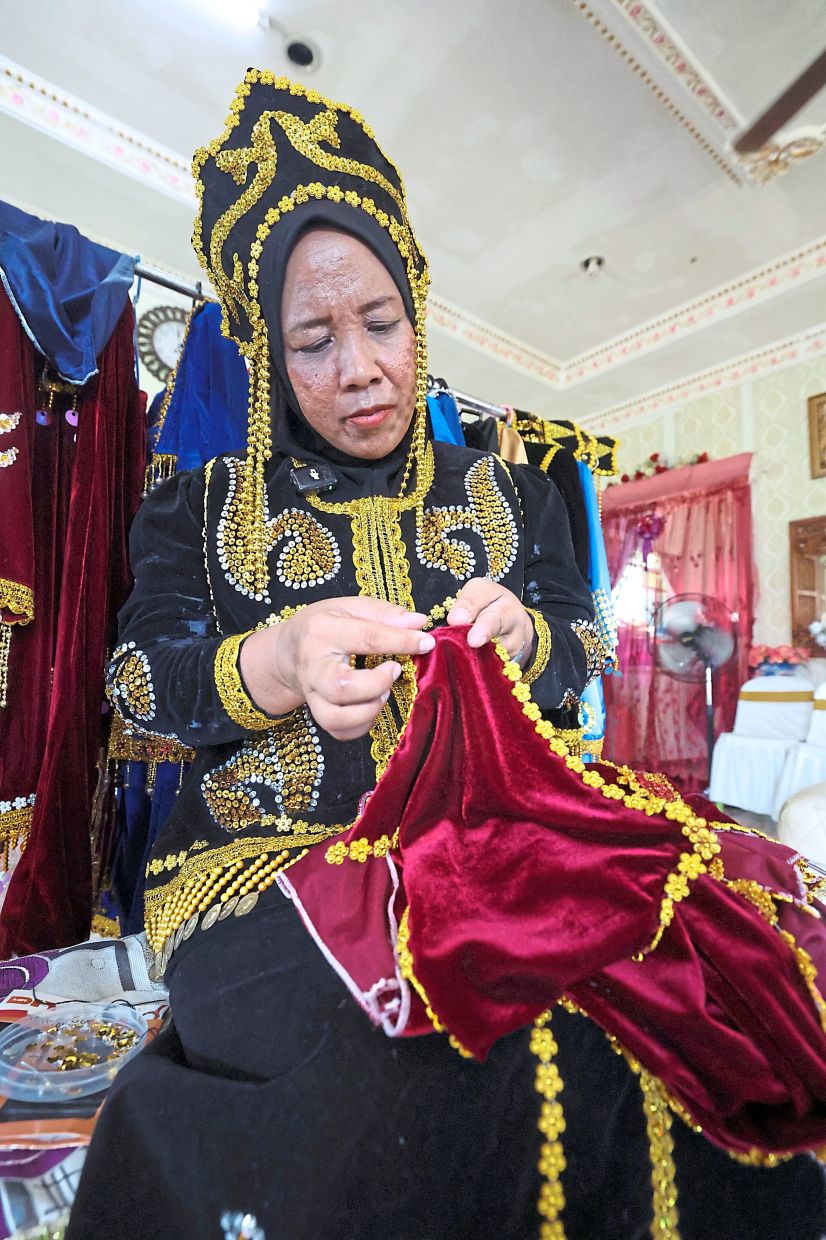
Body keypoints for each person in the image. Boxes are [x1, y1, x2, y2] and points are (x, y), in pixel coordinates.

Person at [67, 73, 826, 1240]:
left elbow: (582, 647)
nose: (359, 368)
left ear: (418, 310)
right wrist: (274, 662)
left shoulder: (509, 492)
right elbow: (133, 685)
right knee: (454, 1064)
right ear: (266, 357)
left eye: (380, 322)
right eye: (313, 340)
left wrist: (526, 636)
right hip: (259, 867)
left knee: (695, 984)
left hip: (495, 842)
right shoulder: (197, 503)